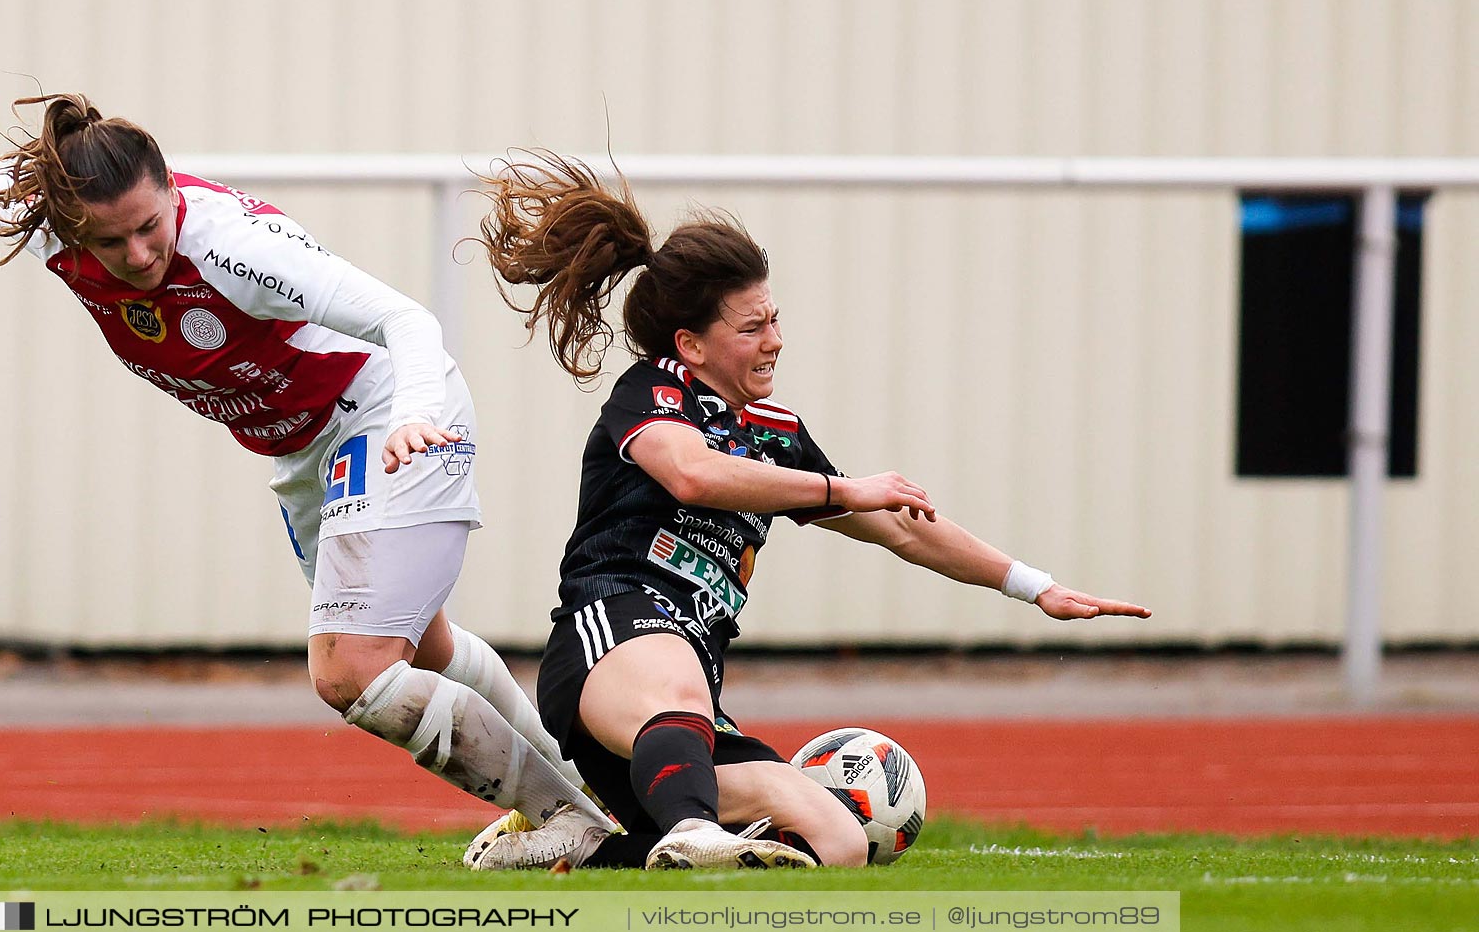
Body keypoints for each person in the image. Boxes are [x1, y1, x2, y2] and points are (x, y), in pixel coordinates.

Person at [0, 94, 614, 835]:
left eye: (151, 225)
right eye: (114, 242)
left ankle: (562, 818)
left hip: (386, 415)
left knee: (349, 671)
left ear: (171, 190)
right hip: (305, 451)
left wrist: (414, 416)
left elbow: (408, 323)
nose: (141, 255)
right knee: (425, 649)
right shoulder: (45, 216)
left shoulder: (232, 248)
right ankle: (600, 802)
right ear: (67, 225)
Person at [461, 152, 1151, 871]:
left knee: (840, 844)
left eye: (775, 319)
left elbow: (901, 531)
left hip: (688, 693)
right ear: (691, 345)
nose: (775, 341)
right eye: (753, 326)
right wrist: (841, 489)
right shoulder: (652, 390)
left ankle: (580, 849)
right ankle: (691, 830)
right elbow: (693, 475)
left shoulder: (776, 433)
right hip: (611, 639)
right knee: (676, 687)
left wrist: (1032, 585)